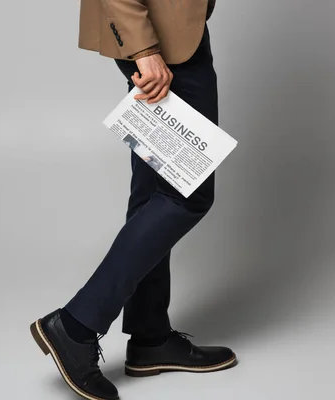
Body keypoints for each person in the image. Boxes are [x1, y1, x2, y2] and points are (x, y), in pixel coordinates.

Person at [30, 1, 236, 399]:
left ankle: (150, 336)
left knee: (156, 192)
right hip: (157, 40)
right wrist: (144, 50)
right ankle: (74, 326)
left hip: (173, 31)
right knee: (185, 195)